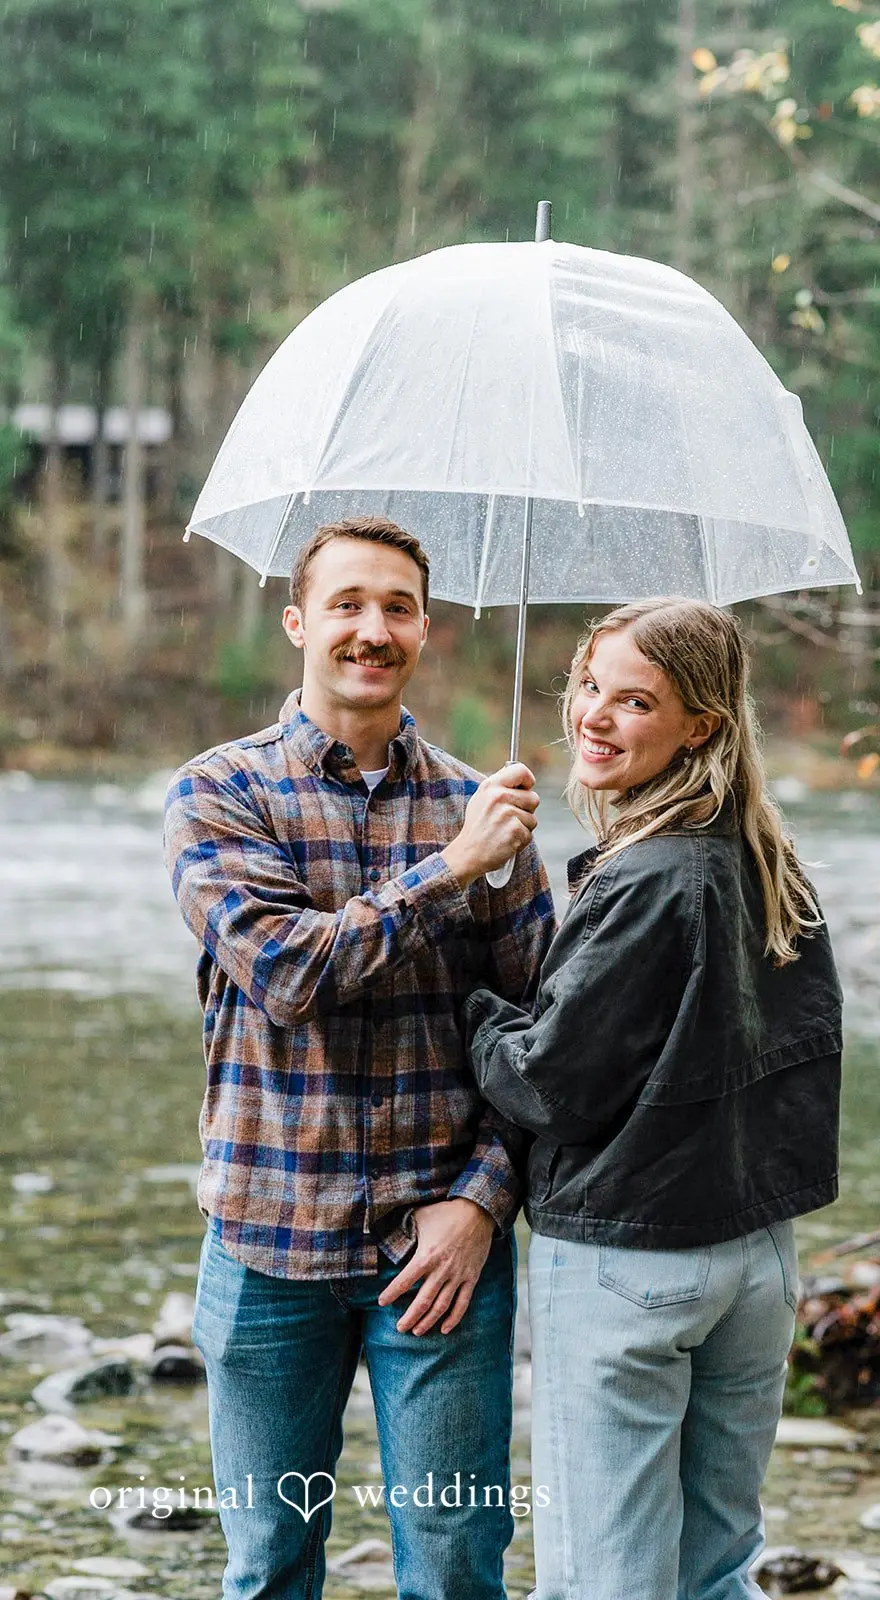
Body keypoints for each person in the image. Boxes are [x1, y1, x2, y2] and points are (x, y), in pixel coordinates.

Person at [163, 516, 555, 1600]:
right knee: (269, 1564)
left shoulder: (487, 808)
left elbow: (542, 1044)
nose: (370, 629)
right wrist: (451, 869)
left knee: (456, 1567)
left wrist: (480, 1203)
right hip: (263, 1245)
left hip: (437, 1261)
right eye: (346, 603)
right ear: (298, 622)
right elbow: (286, 975)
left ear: (425, 629)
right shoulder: (216, 794)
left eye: (395, 607)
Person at [466, 597, 843, 1600]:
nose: (592, 713)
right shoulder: (770, 859)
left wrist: (477, 1001)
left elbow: (546, 1079)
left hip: (631, 1261)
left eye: (633, 699)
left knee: (603, 1581)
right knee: (711, 1570)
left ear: (699, 727)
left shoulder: (649, 876)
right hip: (754, 1260)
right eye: (588, 684)